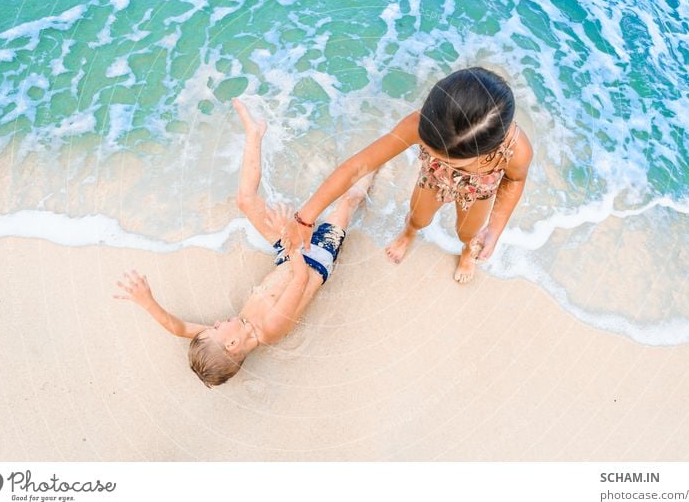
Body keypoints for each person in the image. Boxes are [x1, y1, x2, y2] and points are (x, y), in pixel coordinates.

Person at [113, 99, 374, 387]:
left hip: (287, 256)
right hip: (313, 259)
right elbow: (300, 280)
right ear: (234, 343)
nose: (216, 323)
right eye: (216, 328)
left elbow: (180, 328)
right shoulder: (270, 329)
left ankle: (254, 133)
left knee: (245, 201)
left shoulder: (233, 331)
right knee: (347, 202)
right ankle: (377, 159)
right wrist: (291, 237)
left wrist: (147, 301)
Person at [284, 66, 533, 283]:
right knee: (418, 217)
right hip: (434, 177)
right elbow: (358, 166)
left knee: (468, 232)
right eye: (429, 148)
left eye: (451, 159)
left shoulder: (514, 151)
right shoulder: (420, 123)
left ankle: (467, 251)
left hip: (477, 189)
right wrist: (305, 218)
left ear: (491, 147)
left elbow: (514, 180)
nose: (436, 155)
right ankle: (408, 233)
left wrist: (495, 228)